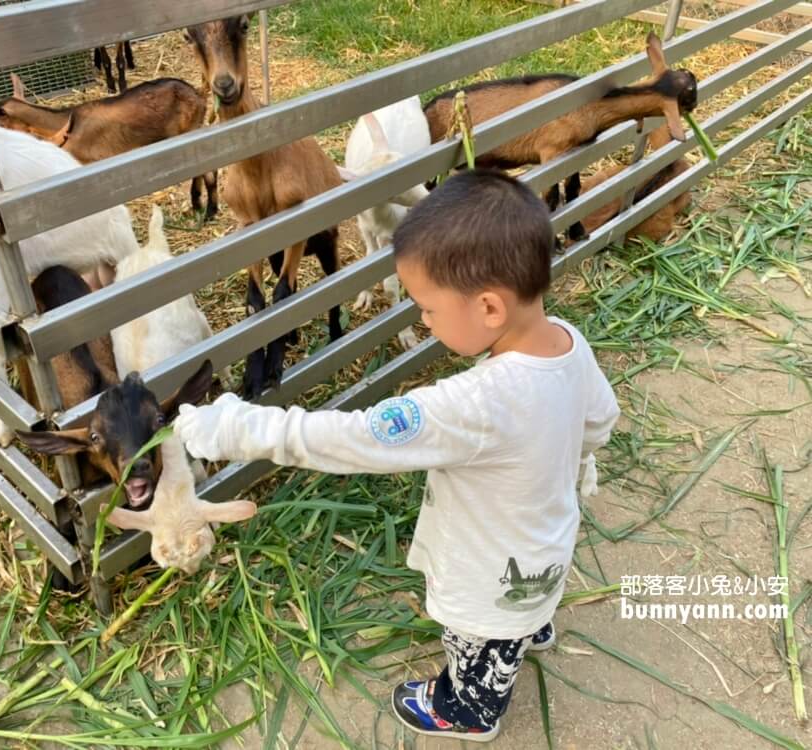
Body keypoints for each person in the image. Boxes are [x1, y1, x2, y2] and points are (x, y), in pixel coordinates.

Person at [175, 169, 620, 742]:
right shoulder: (566, 340)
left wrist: (236, 427)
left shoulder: (477, 402)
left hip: (487, 569)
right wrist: (577, 460)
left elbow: (353, 437)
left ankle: (468, 706)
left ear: (488, 308)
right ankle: (526, 629)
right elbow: (600, 419)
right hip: (546, 538)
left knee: (475, 632)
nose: (423, 321)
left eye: (428, 309)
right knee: (522, 600)